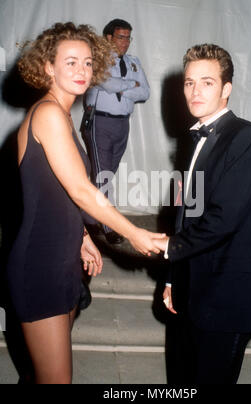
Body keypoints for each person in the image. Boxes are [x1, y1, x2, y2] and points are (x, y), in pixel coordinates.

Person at [5, 22, 164, 384]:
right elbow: (80, 190)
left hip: (61, 257)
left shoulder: (60, 114)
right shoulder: (47, 114)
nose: (82, 71)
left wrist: (81, 238)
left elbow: (54, 193)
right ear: (48, 66)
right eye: (71, 62)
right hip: (39, 265)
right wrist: (135, 234)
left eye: (89, 63)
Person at [154, 44, 251, 384]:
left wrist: (167, 247)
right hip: (191, 289)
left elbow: (223, 219)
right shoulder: (192, 139)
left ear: (226, 89)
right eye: (189, 82)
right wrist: (171, 277)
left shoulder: (248, 139)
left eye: (207, 82)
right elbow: (184, 217)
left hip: (227, 295)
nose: (195, 91)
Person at [83, 19, 150, 244]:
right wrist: (131, 85)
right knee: (103, 177)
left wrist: (122, 87)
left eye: (128, 37)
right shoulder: (96, 59)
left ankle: (87, 218)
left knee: (106, 175)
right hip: (100, 122)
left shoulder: (133, 62)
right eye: (121, 37)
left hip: (123, 123)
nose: (126, 42)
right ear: (109, 37)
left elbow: (145, 93)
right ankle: (108, 225)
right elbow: (107, 83)